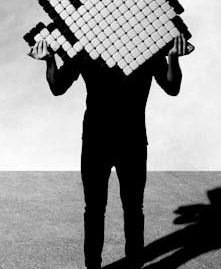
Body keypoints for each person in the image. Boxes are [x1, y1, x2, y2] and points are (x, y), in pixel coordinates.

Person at [28, 35, 188, 269]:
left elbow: (172, 87)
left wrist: (172, 57)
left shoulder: (148, 47)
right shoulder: (85, 48)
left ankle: (134, 265)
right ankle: (93, 266)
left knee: (132, 209)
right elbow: (58, 87)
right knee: (95, 209)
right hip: (96, 141)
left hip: (132, 141)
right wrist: (49, 60)